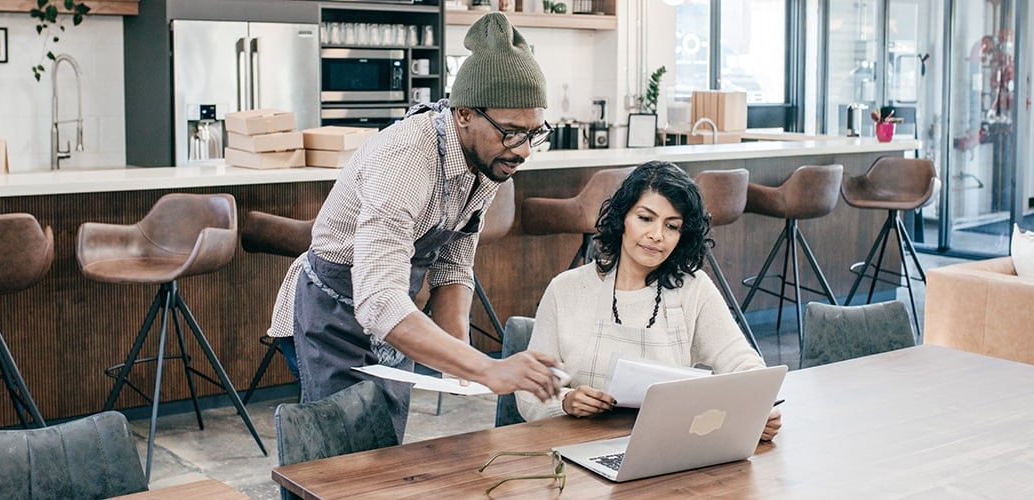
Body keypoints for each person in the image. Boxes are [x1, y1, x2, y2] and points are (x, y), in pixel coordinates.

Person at [267, 12, 562, 441]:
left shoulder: (488, 160)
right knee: (340, 455)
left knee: (384, 444)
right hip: (334, 315)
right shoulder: (406, 158)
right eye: (512, 133)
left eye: (534, 133)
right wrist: (486, 367)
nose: (523, 151)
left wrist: (457, 355)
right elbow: (378, 301)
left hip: (393, 318)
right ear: (464, 113)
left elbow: (453, 267)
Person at [516, 161, 782, 441]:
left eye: (672, 226)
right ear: (622, 219)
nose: (657, 235)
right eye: (645, 218)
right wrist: (566, 401)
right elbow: (529, 391)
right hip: (578, 448)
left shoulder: (694, 289)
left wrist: (758, 407)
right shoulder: (566, 290)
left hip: (670, 444)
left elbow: (741, 361)